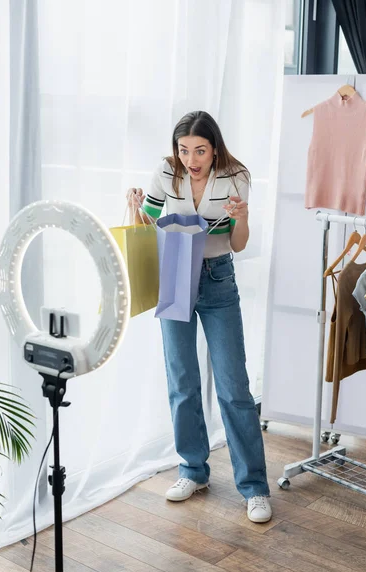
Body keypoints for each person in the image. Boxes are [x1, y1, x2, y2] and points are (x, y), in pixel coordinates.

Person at [127, 111, 271, 523]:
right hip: (174, 272)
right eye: (184, 149)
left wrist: (242, 218)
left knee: (233, 385)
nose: (191, 158)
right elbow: (148, 227)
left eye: (200, 150)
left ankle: (254, 487)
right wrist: (135, 207)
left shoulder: (235, 175)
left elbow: (238, 244)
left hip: (217, 277)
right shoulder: (165, 173)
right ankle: (193, 470)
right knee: (182, 379)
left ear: (214, 148)